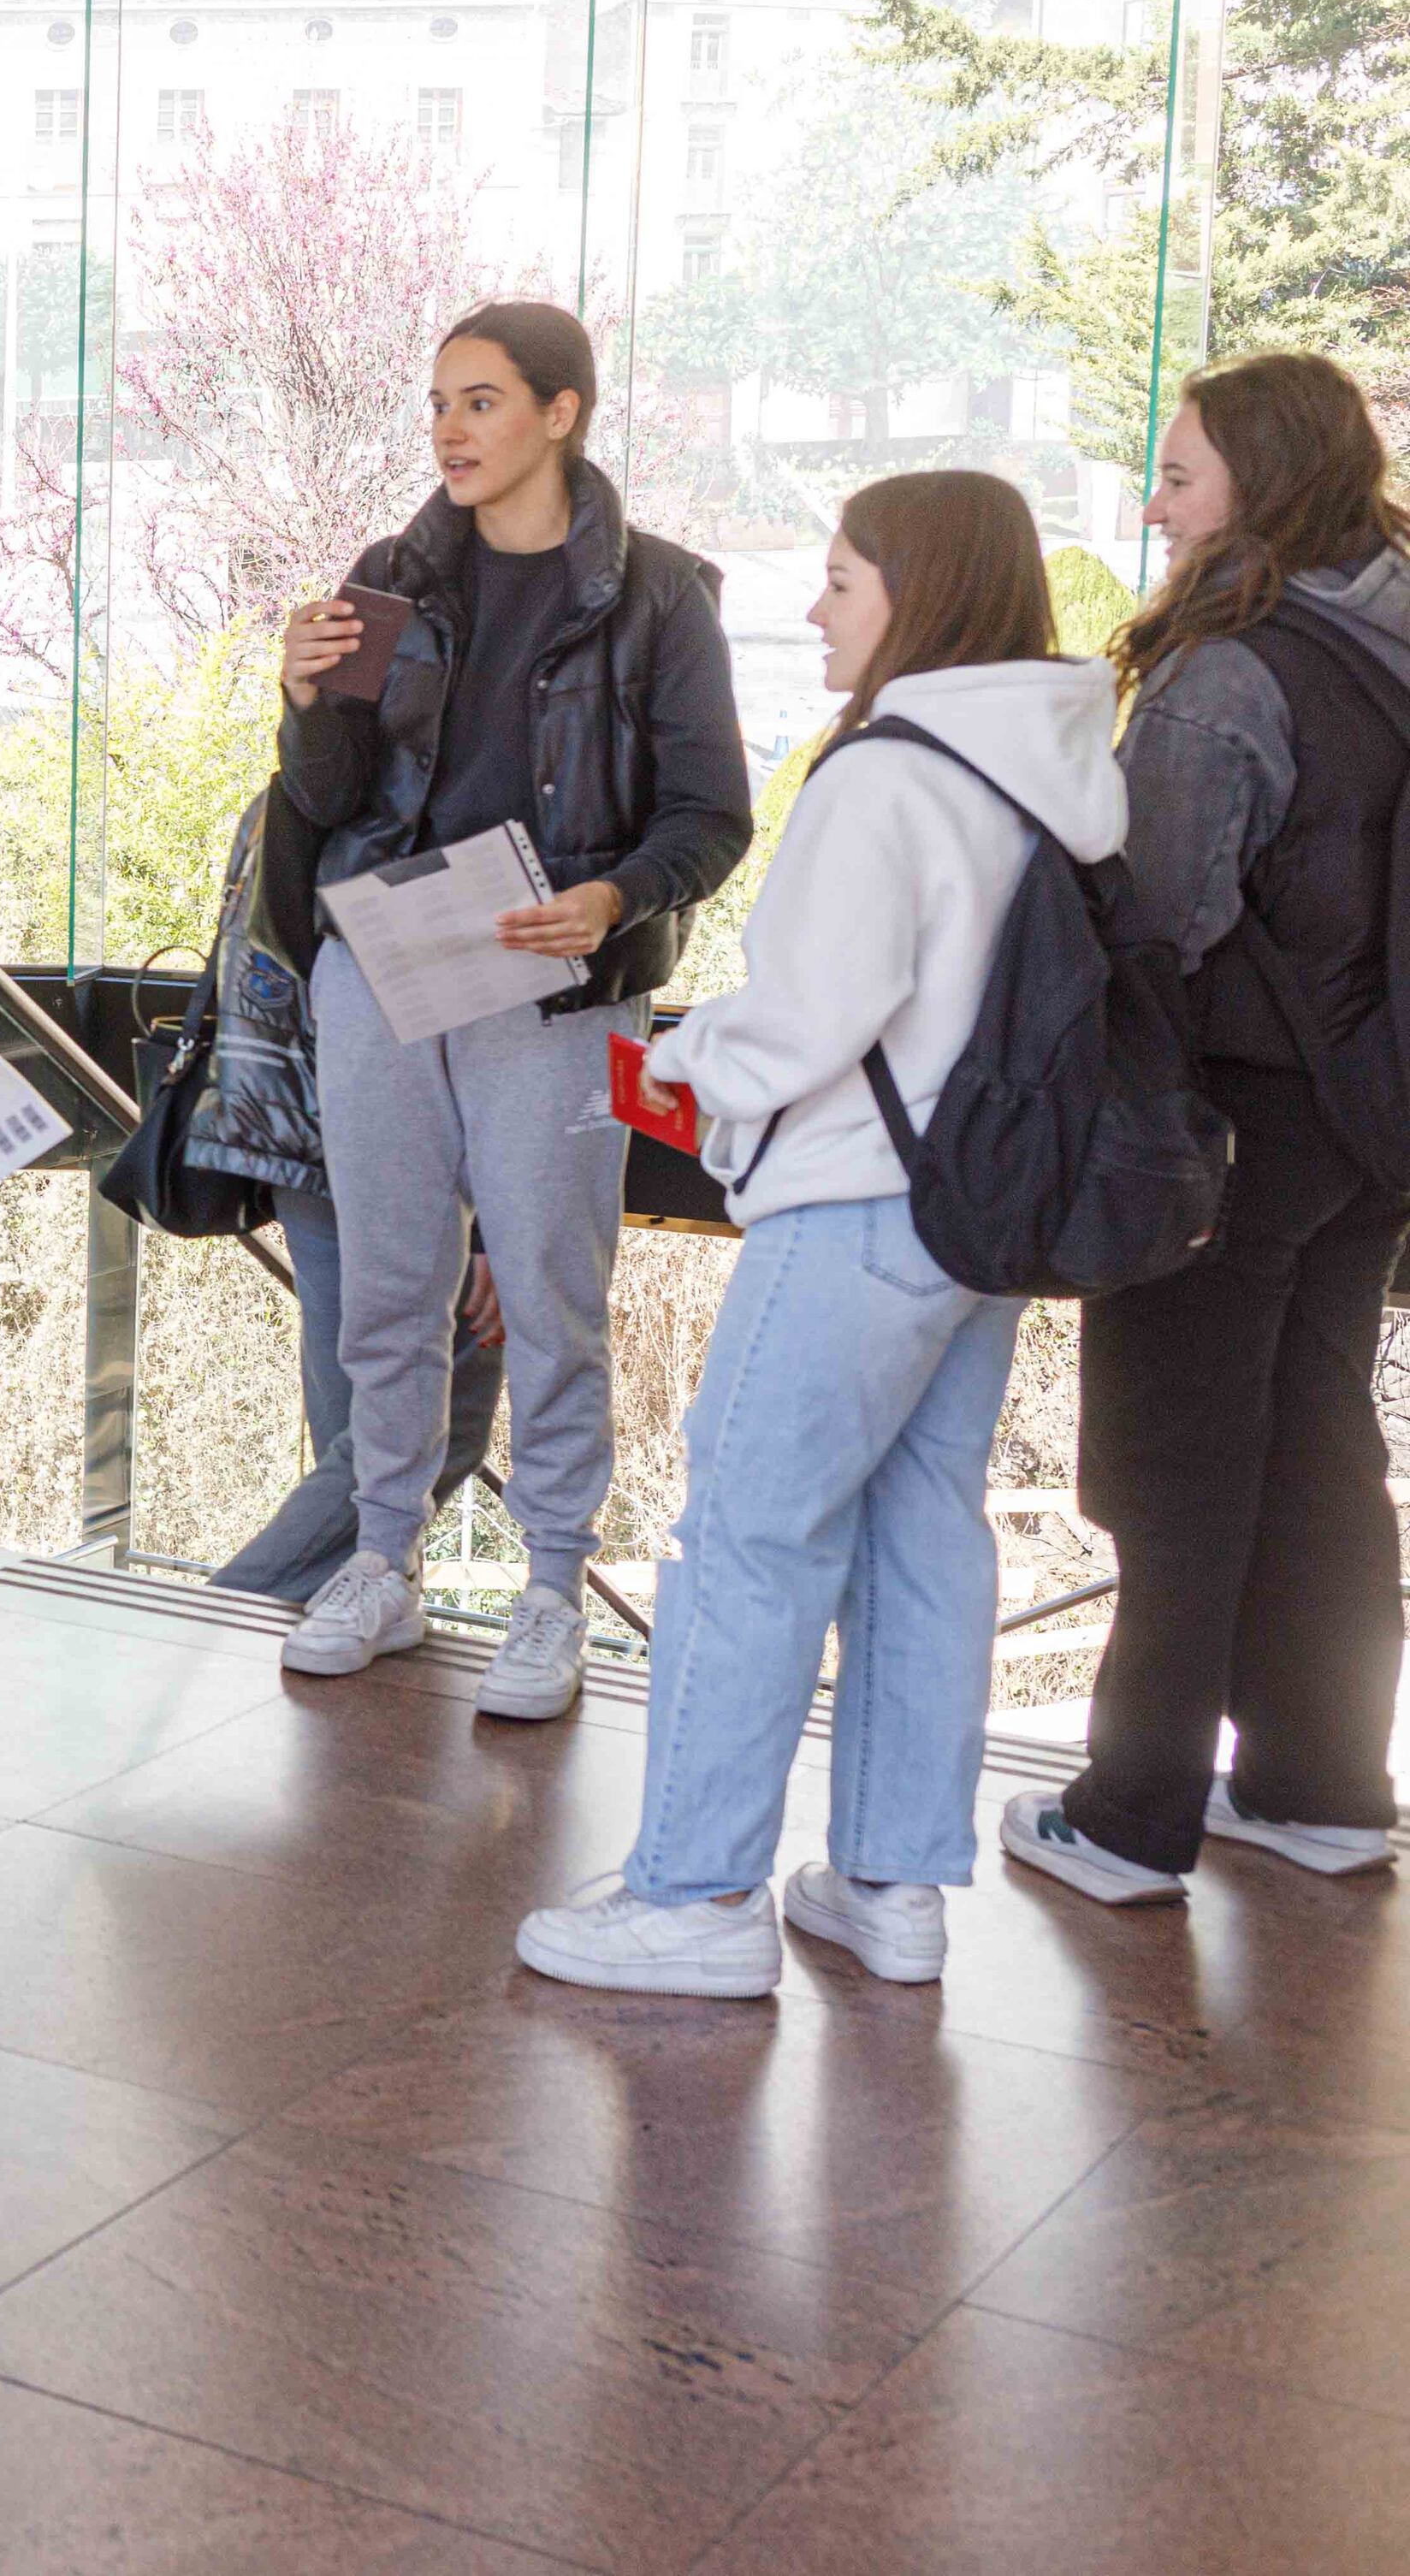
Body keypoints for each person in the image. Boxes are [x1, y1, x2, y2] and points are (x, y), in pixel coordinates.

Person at [515, 474, 1105, 1996]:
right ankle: (892, 1881)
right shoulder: (1060, 761)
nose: (816, 605)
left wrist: (696, 1058)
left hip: (852, 1200)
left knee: (750, 1538)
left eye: (842, 578)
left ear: (920, 588)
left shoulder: (885, 774)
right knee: (924, 1533)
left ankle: (699, 1894)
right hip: (983, 1212)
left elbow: (810, 1017)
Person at [265, 301, 752, 1719]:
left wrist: (611, 898)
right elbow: (325, 801)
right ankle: (379, 1561)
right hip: (385, 962)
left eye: (480, 401)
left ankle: (552, 1586)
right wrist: (306, 701)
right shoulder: (387, 581)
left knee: (551, 1285)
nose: (449, 430)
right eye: (437, 403)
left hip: (561, 978)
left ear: (563, 411)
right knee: (388, 1286)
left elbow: (712, 814)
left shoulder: (661, 595)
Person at [1007, 353, 1410, 1905]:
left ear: (1260, 478)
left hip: (1229, 1114)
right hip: (1374, 1115)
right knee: (1318, 1439)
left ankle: (1129, 1814)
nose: (1158, 507)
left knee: (1175, 1461)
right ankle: (1318, 1788)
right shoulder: (1389, 615)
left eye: (1178, 476)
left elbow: (1163, 911)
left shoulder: (1238, 663)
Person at [187, 796, 508, 1604]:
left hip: (293, 1138)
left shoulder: (284, 800)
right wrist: (490, 1225)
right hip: (396, 1148)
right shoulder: (425, 813)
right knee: (420, 1433)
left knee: (356, 1432)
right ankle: (211, 1619)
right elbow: (459, 1028)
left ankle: (346, 1628)